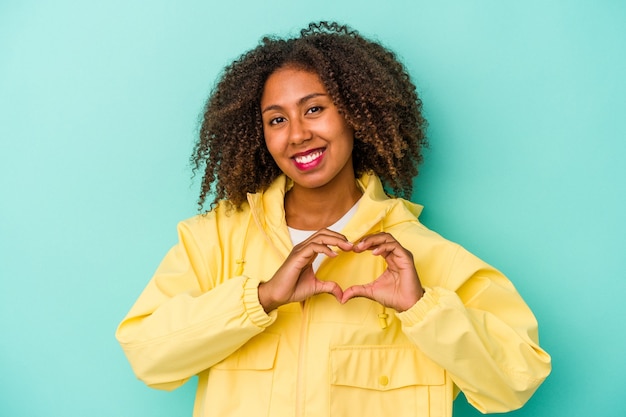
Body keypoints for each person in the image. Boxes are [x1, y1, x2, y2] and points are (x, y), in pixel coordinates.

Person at [116, 21, 551, 417]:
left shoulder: (422, 255)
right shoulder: (213, 242)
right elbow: (145, 354)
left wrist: (423, 309)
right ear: (260, 135)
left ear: (355, 113)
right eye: (277, 119)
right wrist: (261, 298)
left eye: (314, 109)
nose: (297, 134)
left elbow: (517, 380)